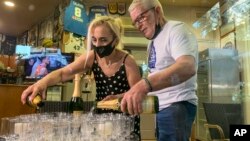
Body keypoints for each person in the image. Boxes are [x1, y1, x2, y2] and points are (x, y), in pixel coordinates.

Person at [21, 16, 142, 139]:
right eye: (94, 40)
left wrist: (118, 98)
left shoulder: (127, 61)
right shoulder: (92, 57)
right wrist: (41, 84)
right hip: (101, 121)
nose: (98, 45)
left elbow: (138, 94)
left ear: (115, 40)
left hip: (125, 122)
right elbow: (63, 73)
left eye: (103, 40)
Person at [120, 0, 198, 141]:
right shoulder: (152, 42)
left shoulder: (176, 29)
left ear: (157, 11)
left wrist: (144, 84)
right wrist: (127, 95)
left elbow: (188, 67)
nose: (138, 26)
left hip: (177, 106)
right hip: (162, 107)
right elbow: (155, 78)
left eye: (141, 18)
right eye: (135, 22)